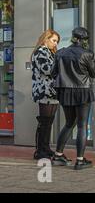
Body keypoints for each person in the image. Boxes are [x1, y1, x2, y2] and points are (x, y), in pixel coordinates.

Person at [51, 27, 95, 170]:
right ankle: (80, 160)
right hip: (82, 91)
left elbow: (54, 73)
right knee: (81, 125)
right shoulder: (87, 54)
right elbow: (94, 73)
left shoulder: (60, 53)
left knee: (69, 123)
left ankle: (58, 156)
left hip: (65, 91)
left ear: (73, 37)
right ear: (84, 40)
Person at [31, 29, 61, 160]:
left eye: (57, 41)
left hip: (52, 91)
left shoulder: (50, 52)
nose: (55, 44)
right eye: (54, 40)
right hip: (44, 91)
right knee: (44, 122)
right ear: (46, 39)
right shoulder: (40, 52)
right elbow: (47, 70)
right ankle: (40, 151)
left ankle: (46, 148)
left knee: (48, 122)